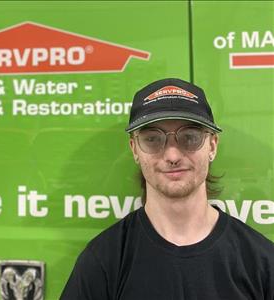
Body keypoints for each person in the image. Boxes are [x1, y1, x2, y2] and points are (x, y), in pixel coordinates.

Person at [60, 78, 274, 300]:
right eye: (153, 139)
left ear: (212, 146)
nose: (172, 155)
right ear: (134, 149)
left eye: (189, 137)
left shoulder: (262, 262)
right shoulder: (103, 261)